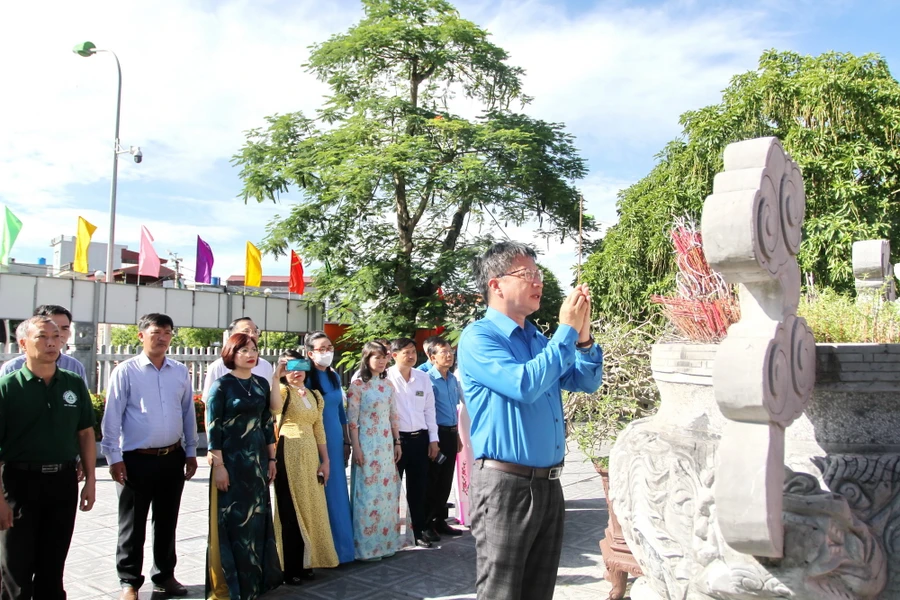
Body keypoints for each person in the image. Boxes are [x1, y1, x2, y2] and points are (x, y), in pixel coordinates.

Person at [457, 241, 603, 600]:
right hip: (505, 484)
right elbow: (525, 384)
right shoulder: (479, 337)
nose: (538, 282)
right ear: (496, 284)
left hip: (549, 483)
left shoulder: (538, 338)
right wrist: (565, 331)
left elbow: (586, 381)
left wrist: (582, 338)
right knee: (502, 591)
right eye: (528, 275)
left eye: (538, 274)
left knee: (539, 589)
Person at [101, 313, 199, 599]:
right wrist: (113, 457)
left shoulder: (179, 371)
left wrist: (191, 451)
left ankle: (164, 576)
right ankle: (129, 581)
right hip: (135, 459)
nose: (162, 337)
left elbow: (187, 413)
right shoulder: (126, 371)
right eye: (156, 331)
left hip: (172, 456)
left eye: (168, 332)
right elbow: (112, 418)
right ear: (140, 335)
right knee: (132, 523)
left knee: (167, 520)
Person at [0, 316, 96, 599]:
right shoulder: (8, 387)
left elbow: (86, 434)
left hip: (62, 482)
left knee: (52, 566)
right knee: (15, 569)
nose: (52, 342)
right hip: (19, 483)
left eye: (57, 335)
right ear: (23, 343)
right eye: (43, 336)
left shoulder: (73, 383)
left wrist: (91, 480)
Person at [206, 333, 282, 599]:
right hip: (231, 464)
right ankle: (234, 587)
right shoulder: (221, 386)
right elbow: (213, 429)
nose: (251, 354)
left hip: (258, 463)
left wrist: (271, 459)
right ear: (231, 353)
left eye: (254, 349)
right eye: (244, 350)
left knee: (256, 522)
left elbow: (267, 422)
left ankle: (257, 583)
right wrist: (219, 466)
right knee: (235, 524)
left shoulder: (261, 383)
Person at [270, 349, 338, 584]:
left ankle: (308, 561)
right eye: (289, 367)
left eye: (299, 365)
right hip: (288, 452)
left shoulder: (314, 395)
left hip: (310, 456)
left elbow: (319, 428)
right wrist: (275, 377)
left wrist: (326, 461)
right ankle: (290, 566)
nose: (295, 371)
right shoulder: (281, 391)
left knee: (311, 507)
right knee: (291, 509)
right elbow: (274, 411)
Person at [347, 341, 410, 560]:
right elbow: (352, 421)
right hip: (366, 443)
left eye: (384, 357)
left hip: (385, 445)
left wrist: (397, 442)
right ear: (366, 359)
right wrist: (356, 448)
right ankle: (365, 547)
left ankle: (386, 544)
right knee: (367, 494)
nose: (382, 361)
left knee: (386, 494)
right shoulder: (357, 385)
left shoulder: (388, 385)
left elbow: (394, 416)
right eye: (377, 357)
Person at [303, 332, 355, 564]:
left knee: (337, 492)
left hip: (335, 440)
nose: (327, 352)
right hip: (312, 441)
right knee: (317, 493)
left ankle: (343, 550)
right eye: (321, 348)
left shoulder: (333, 376)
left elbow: (341, 412)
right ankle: (319, 552)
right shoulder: (304, 378)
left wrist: (346, 440)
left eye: (329, 347)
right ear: (310, 353)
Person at [386, 338, 439, 548]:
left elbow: (429, 410)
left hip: (420, 440)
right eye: (406, 352)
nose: (411, 356)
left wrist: (434, 440)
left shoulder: (423, 378)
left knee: (418, 489)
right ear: (394, 355)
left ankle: (417, 531)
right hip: (396, 442)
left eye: (413, 351)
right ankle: (388, 536)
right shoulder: (386, 378)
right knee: (391, 490)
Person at [424, 337, 464, 540]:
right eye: (443, 352)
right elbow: (427, 411)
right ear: (432, 357)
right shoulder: (427, 379)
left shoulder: (453, 379)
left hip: (450, 433)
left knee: (446, 479)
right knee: (433, 479)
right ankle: (427, 523)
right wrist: (433, 440)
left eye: (451, 351)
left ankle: (441, 520)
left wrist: (456, 434)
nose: (449, 355)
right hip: (435, 434)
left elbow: (453, 409)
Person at [0, 304, 88, 384]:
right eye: (54, 328)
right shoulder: (12, 368)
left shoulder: (75, 366)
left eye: (64, 328)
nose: (59, 334)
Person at [202, 318, 274, 401]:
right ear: (232, 336)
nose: (252, 335)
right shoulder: (218, 367)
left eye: (255, 331)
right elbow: (209, 403)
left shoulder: (265, 366)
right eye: (246, 331)